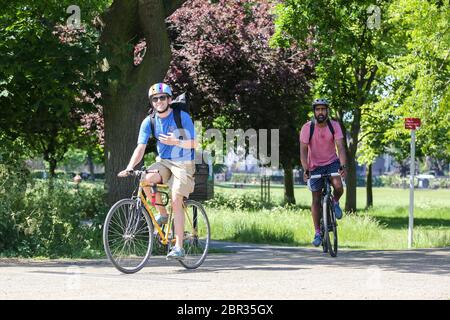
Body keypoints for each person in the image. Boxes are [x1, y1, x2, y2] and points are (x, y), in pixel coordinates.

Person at [118, 83, 197, 260]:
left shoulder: (181, 116)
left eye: (162, 97)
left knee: (176, 198)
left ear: (169, 99)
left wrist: (175, 142)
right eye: (155, 99)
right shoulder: (149, 121)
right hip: (164, 162)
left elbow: (194, 143)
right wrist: (130, 167)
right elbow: (140, 148)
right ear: (152, 102)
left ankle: (179, 246)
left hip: (184, 162)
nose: (159, 101)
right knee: (144, 179)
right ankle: (162, 214)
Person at [299, 98, 347, 247]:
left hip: (332, 162)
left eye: (323, 109)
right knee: (315, 198)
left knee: (338, 186)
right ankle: (318, 232)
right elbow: (303, 150)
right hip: (314, 166)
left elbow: (341, 147)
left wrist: (343, 166)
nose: (321, 112)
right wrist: (305, 169)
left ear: (327, 111)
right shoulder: (307, 128)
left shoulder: (334, 126)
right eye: (318, 109)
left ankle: (335, 201)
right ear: (314, 112)